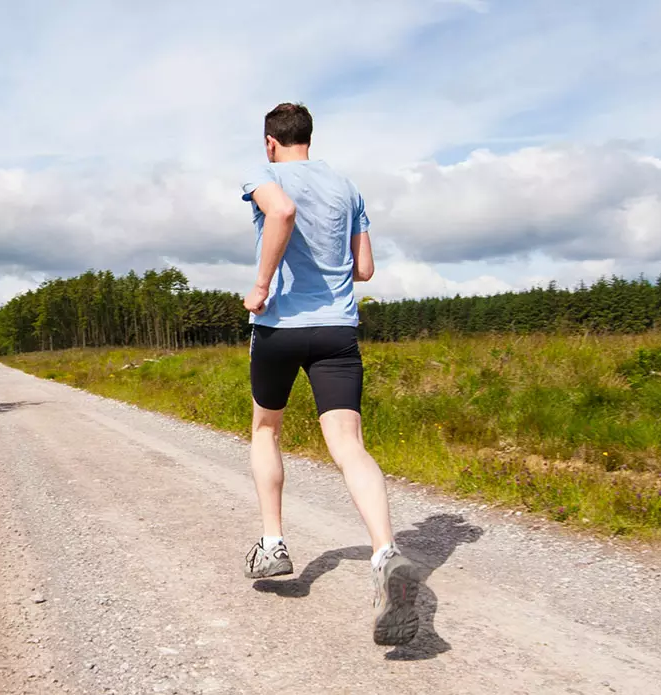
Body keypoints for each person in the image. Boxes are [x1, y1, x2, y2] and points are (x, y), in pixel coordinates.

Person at [238, 102, 416, 646]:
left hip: (279, 328)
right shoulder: (347, 187)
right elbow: (364, 269)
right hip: (338, 330)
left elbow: (282, 212)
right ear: (308, 138)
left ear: (271, 142)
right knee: (348, 444)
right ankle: (385, 551)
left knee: (267, 428)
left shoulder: (263, 175)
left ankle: (272, 545)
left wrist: (263, 285)